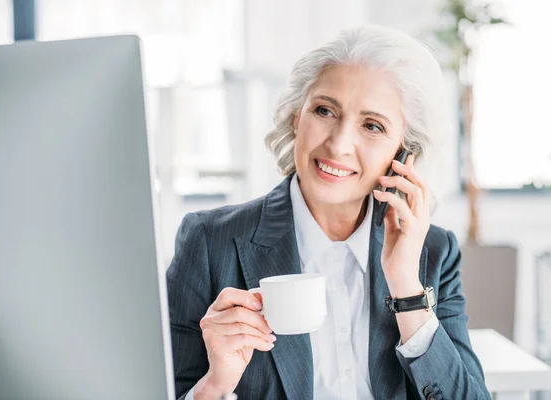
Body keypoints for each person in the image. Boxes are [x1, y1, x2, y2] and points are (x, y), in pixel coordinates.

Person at [167, 24, 491, 400]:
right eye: (324, 110)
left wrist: (407, 290)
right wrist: (215, 385)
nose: (338, 145)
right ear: (295, 117)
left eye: (372, 126)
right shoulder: (209, 242)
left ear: (404, 155)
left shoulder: (432, 252)